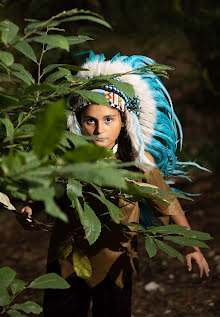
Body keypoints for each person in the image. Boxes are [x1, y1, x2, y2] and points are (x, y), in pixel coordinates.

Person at [20, 52, 210, 317]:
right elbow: (47, 188)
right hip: (67, 257)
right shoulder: (67, 157)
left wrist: (190, 244)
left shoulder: (139, 163)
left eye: (108, 120)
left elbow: (165, 202)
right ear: (79, 122)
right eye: (91, 121)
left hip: (117, 260)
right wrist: (30, 206)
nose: (99, 130)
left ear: (123, 121)